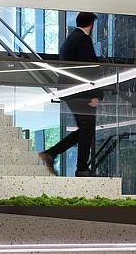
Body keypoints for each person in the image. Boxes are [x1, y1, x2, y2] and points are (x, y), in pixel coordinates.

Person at [39, 12, 103, 177]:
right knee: (87, 129)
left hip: (71, 91)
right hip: (81, 92)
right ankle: (81, 168)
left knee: (85, 129)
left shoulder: (69, 39)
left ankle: (51, 153)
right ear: (91, 24)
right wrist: (96, 94)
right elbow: (89, 68)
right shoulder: (82, 39)